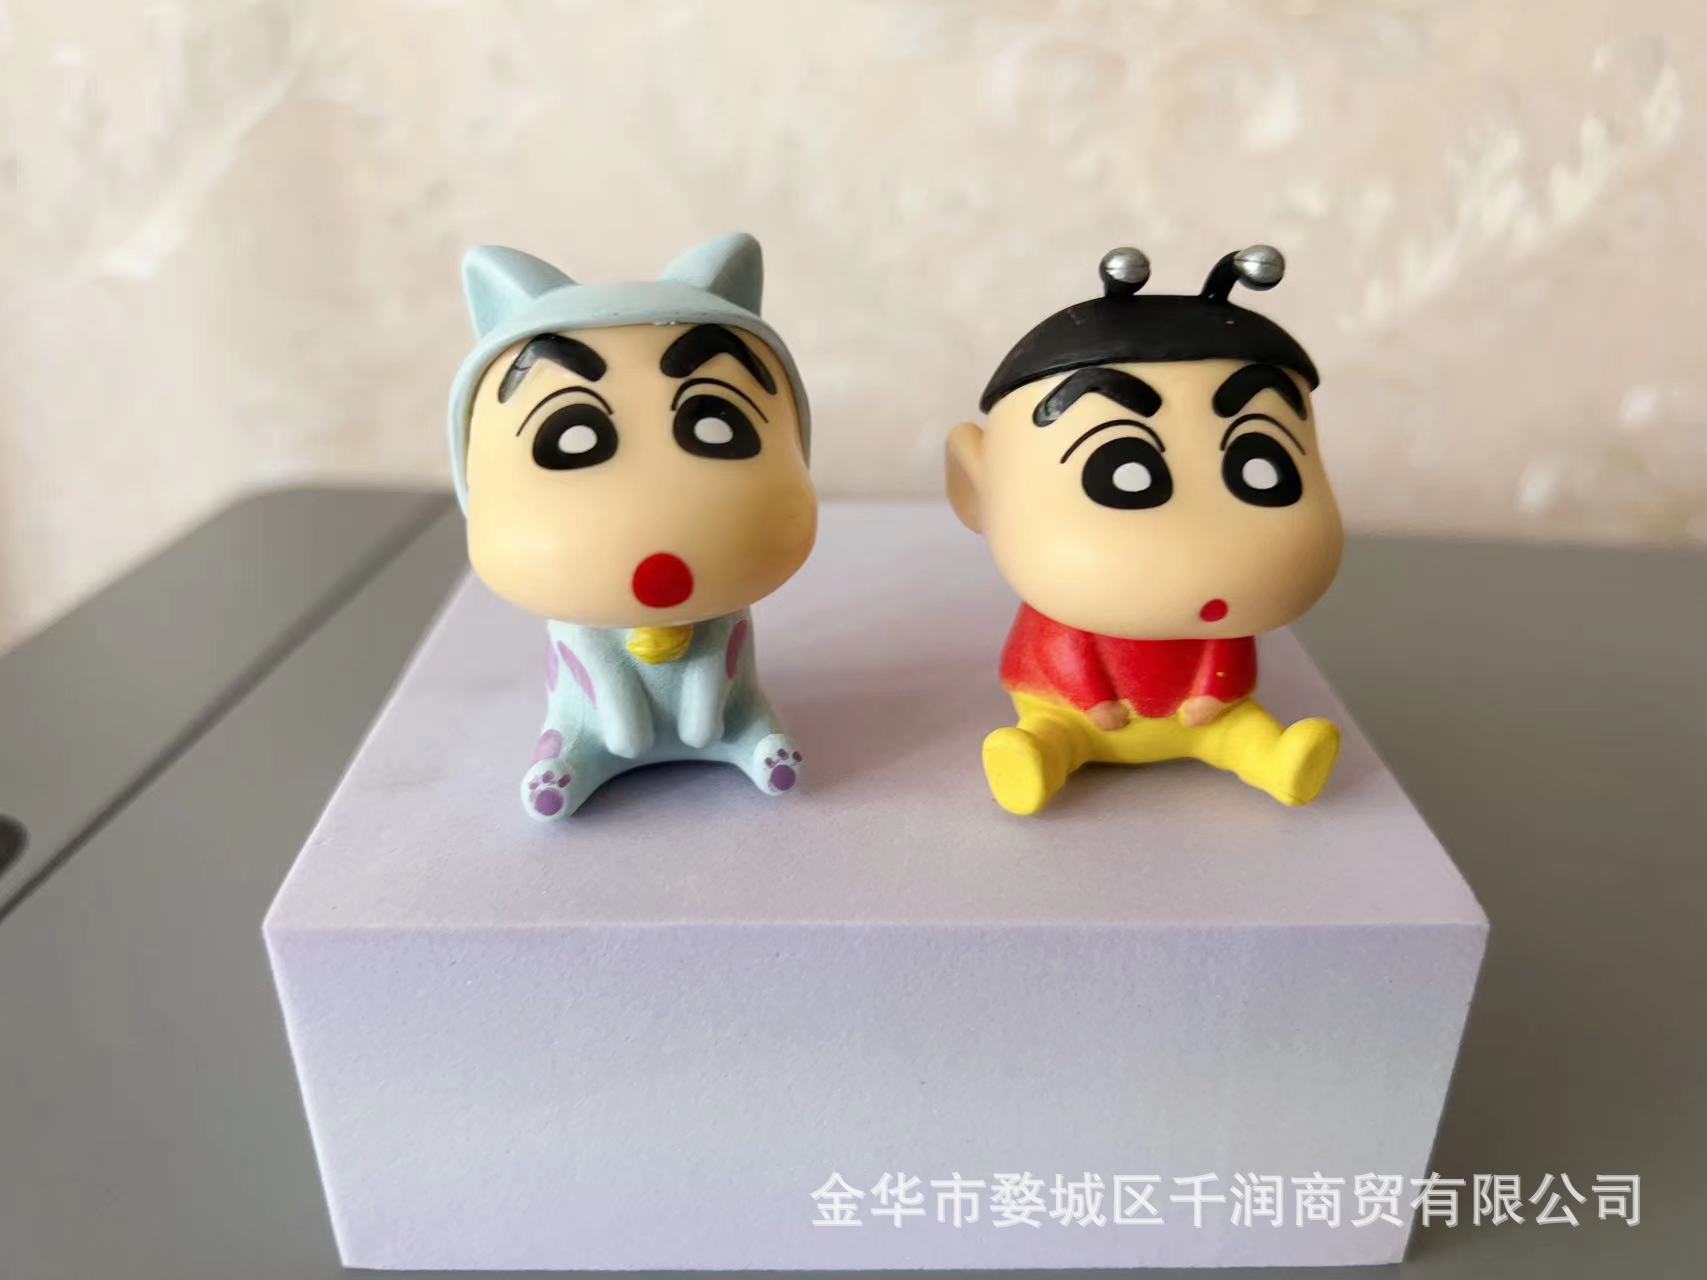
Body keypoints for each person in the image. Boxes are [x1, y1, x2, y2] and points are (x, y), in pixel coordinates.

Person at [946, 245, 1344, 816]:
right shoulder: (1069, 611)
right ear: (976, 486)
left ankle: (1276, 761)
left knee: (1242, 727)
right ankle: (1040, 757)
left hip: (1200, 719)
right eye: (1122, 472)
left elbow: (1225, 654)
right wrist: (1093, 701)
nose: (1208, 537)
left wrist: (1214, 693)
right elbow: (1063, 653)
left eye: (1262, 464)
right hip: (1078, 714)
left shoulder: (1223, 616)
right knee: (1055, 731)